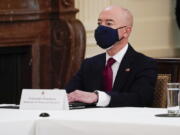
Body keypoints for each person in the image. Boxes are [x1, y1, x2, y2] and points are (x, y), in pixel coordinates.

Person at [65, 6, 157, 107]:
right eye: (99, 23)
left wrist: (98, 97)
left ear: (126, 31)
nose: (101, 28)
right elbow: (69, 94)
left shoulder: (144, 64)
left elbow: (141, 98)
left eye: (109, 23)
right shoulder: (89, 64)